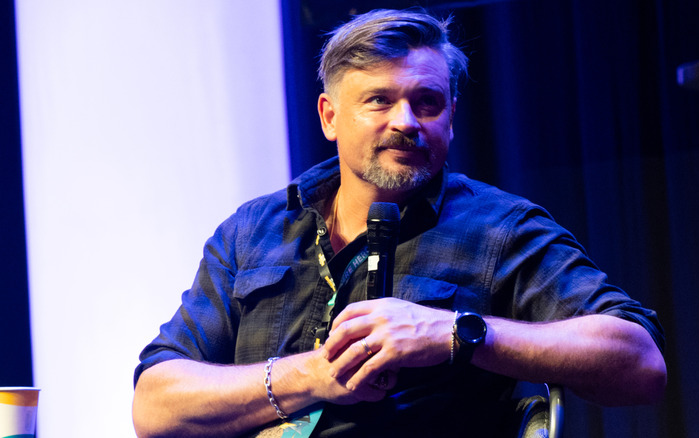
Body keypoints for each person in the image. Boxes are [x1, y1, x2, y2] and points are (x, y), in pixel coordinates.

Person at [132, 8, 666, 438]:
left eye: (427, 103)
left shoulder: (500, 227)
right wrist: (312, 375)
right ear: (329, 117)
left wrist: (456, 332)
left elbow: (640, 363)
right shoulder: (253, 230)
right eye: (379, 101)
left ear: (451, 117)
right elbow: (156, 406)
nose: (406, 122)